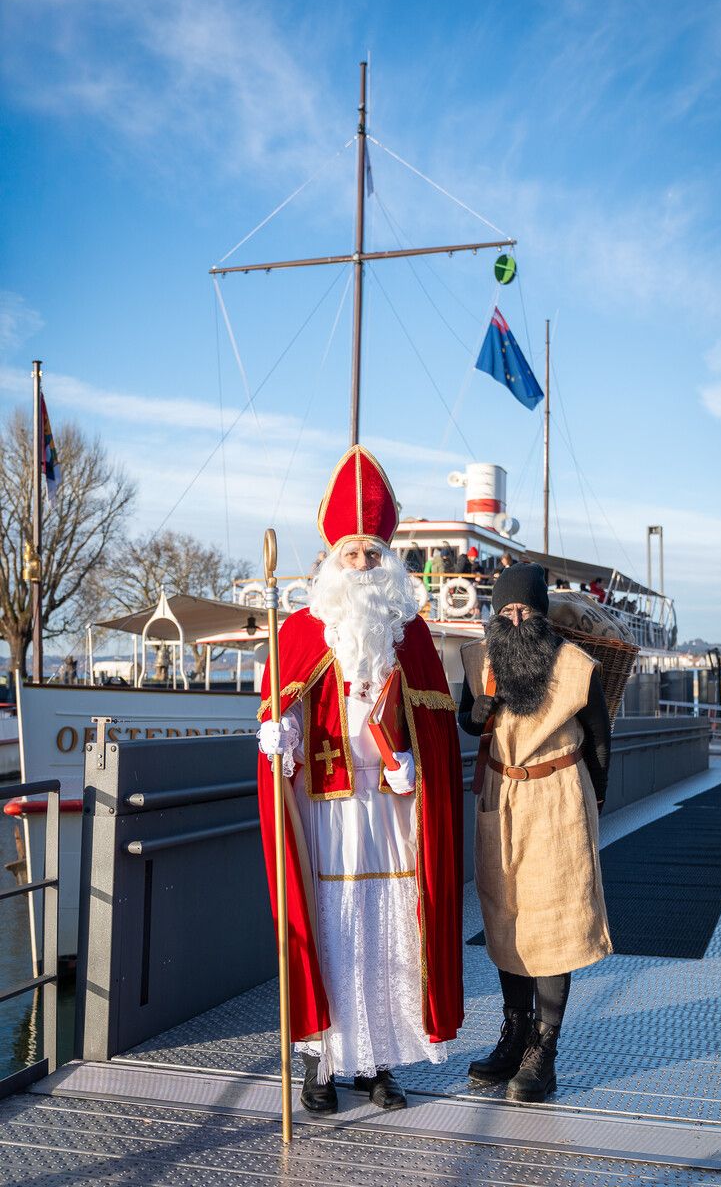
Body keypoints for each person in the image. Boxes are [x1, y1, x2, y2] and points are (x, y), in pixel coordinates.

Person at [257, 445, 463, 1116]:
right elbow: (276, 714)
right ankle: (319, 1068)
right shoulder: (298, 633)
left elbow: (436, 730)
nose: (364, 564)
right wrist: (276, 738)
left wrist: (415, 766)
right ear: (332, 561)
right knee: (328, 931)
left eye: (373, 553)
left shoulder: (416, 637)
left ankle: (380, 1066)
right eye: (353, 553)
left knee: (390, 935)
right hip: (325, 817)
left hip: (391, 817)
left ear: (389, 560)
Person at [458, 563, 612, 1102]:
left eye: (524, 608)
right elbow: (468, 723)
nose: (515, 617)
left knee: (556, 921)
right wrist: (477, 712)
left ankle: (544, 1053)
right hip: (501, 798)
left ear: (542, 615)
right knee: (505, 918)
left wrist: (593, 802)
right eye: (506, 609)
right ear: (495, 614)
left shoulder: (575, 666)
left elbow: (598, 739)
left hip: (556, 798)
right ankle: (514, 1035)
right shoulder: (479, 662)